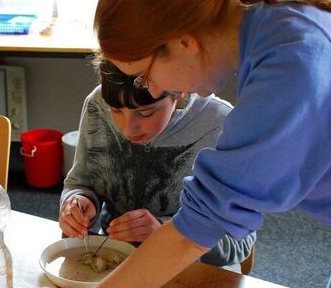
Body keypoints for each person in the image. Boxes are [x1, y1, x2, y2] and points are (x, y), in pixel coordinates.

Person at [14, 0, 331, 288]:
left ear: (184, 42)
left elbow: (192, 233)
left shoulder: (294, 72)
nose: (151, 91)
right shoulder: (271, 23)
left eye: (142, 77)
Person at [59, 59, 255, 267]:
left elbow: (239, 244)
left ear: (180, 90)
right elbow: (79, 182)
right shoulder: (98, 104)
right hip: (116, 259)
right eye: (116, 111)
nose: (128, 130)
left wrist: (169, 233)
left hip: (194, 270)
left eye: (145, 113)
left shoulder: (222, 126)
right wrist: (77, 201)